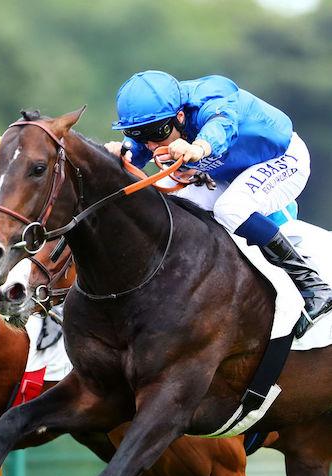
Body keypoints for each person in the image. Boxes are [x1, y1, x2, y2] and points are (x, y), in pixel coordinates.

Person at [104, 70, 332, 338]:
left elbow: (221, 125)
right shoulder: (159, 125)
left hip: (280, 159)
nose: (152, 144)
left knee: (231, 209)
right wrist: (121, 152)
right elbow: (139, 149)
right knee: (172, 211)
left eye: (158, 132)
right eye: (139, 134)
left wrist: (198, 148)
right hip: (226, 171)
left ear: (179, 117)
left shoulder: (212, 97)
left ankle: (315, 287)